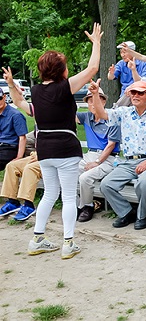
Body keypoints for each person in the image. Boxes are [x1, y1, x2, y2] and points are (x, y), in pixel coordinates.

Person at [7, 23, 103, 259]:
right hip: (66, 148)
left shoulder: (37, 91)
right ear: (61, 71)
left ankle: (37, 238)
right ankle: (68, 242)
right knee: (68, 196)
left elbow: (22, 105)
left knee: (50, 193)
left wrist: (11, 84)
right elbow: (92, 68)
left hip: (45, 150)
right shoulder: (65, 87)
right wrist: (97, 42)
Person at [93, 80, 146, 230]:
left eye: (140, 93)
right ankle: (126, 212)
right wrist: (95, 94)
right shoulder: (124, 112)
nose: (135, 95)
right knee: (106, 184)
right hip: (128, 162)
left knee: (144, 182)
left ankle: (142, 215)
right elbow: (101, 113)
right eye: (133, 92)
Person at [76, 88, 121, 222]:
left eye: (96, 100)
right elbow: (66, 113)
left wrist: (97, 162)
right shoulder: (86, 117)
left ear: (104, 101)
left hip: (108, 158)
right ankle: (76, 205)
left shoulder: (112, 119)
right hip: (89, 154)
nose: (93, 104)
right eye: (90, 101)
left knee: (85, 178)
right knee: (67, 172)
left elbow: (111, 145)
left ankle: (88, 206)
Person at [0, 69, 39, 221]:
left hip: (52, 155)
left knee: (29, 168)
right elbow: (19, 101)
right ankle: (12, 202)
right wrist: (10, 83)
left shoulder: (59, 116)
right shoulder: (38, 115)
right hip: (38, 152)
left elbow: (22, 138)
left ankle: (28, 205)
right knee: (12, 166)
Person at [0, 87, 28, 171]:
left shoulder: (15, 115)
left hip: (10, 148)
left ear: (4, 97)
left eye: (0, 98)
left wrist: (19, 157)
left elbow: (22, 138)